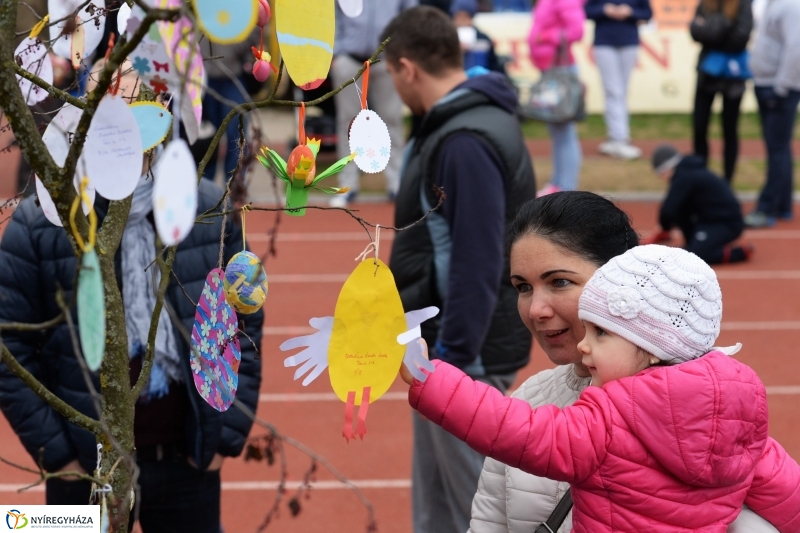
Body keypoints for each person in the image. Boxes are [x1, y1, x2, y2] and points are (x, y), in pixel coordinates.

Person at [403, 243, 800, 532]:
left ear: (654, 348)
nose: (583, 344)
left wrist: (430, 377)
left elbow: (515, 430)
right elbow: (786, 497)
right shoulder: (739, 416)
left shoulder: (608, 420)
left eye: (602, 332)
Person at [462, 191, 779, 533]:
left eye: (560, 282)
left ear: (620, 280)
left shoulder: (710, 417)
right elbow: (487, 524)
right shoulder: (529, 398)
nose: (536, 309)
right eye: (523, 287)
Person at [0, 156, 263, 531]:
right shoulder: (41, 220)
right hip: (81, 474)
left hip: (186, 463)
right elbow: (9, 351)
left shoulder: (209, 209)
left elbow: (245, 320)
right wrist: (58, 459)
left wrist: (223, 438)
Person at [382, 7, 536, 532]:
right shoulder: (464, 125)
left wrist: (451, 359)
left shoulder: (463, 141)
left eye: (388, 75)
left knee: (479, 508)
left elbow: (478, 255)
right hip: (448, 348)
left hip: (460, 354)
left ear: (407, 68)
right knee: (442, 504)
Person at [328, 0, 417, 207]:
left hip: (387, 59)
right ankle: (346, 186)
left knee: (392, 119)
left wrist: (401, 52)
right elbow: (330, 15)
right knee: (347, 123)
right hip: (349, 57)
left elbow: (410, 17)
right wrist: (335, 52)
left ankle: (397, 184)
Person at [643, 144, 752, 264]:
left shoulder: (684, 177)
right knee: (683, 222)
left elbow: (669, 208)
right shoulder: (688, 171)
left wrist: (664, 229)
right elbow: (678, 209)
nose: (663, 179)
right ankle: (695, 242)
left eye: (661, 175)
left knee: (695, 256)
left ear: (667, 169)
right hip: (709, 220)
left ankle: (739, 252)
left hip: (725, 222)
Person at [744, 0, 800, 228]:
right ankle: (782, 205)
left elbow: (796, 46)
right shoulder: (773, 4)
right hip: (769, 83)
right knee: (778, 148)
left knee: (777, 148)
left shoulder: (789, 5)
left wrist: (782, 86)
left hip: (778, 87)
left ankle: (767, 207)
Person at [690, 0, 753, 183]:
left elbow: (741, 39)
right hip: (707, 73)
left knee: (729, 130)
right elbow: (694, 31)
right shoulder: (705, 3)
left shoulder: (743, 4)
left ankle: (727, 181)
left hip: (732, 77)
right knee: (699, 128)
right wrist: (726, 27)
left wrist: (710, 29)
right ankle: (701, 179)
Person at [528, 0, 585, 195]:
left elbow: (577, 31)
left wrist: (546, 36)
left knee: (564, 131)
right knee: (557, 132)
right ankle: (559, 183)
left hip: (561, 71)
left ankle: (566, 187)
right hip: (552, 71)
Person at [585, 0, 652, 160]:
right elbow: (587, 10)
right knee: (612, 90)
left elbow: (647, 13)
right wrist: (604, 10)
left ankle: (618, 137)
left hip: (629, 41)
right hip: (604, 42)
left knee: (621, 90)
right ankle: (618, 138)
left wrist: (630, 12)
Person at [200, 34, 260, 182]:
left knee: (237, 136)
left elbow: (255, 30)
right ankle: (204, 190)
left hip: (234, 77)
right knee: (204, 139)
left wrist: (234, 47)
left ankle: (234, 189)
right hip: (203, 79)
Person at [452, 0, 505, 75]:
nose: (461, 22)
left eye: (465, 17)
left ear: (471, 18)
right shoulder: (448, 39)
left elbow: (495, 66)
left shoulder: (483, 39)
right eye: (458, 17)